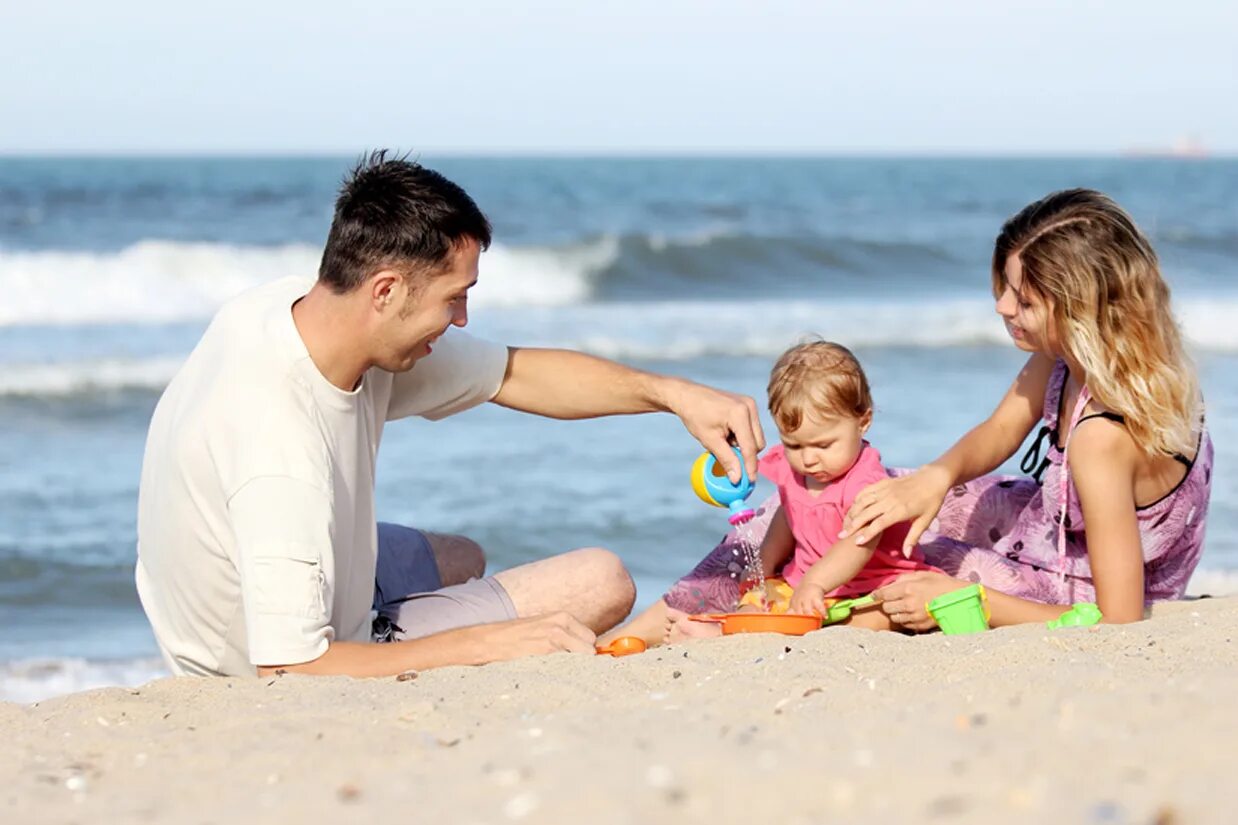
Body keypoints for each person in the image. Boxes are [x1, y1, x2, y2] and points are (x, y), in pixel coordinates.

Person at [135, 151, 765, 679]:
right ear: (385, 290)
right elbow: (291, 673)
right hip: (249, 663)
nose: (461, 320)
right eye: (453, 299)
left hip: (255, 571)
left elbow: (514, 373)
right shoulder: (279, 455)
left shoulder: (291, 310)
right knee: (601, 582)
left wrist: (676, 395)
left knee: (460, 556)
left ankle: (410, 619)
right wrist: (493, 645)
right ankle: (393, 635)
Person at [648, 188, 1212, 636]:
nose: (1002, 307)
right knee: (847, 496)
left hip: (1080, 587)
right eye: (1004, 287)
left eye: (1025, 300)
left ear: (1082, 311)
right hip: (1047, 529)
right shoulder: (1068, 358)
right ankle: (702, 602)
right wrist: (935, 481)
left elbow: (1120, 619)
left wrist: (968, 601)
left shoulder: (1103, 438)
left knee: (909, 569)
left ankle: (735, 617)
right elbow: (1001, 430)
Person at [605, 341, 942, 645]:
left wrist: (816, 584)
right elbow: (788, 516)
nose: (809, 459)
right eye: (794, 444)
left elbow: (857, 544)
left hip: (871, 584)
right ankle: (722, 628)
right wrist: (765, 564)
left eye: (824, 444)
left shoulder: (865, 480)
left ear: (863, 421)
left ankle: (720, 638)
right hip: (806, 584)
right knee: (760, 599)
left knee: (879, 617)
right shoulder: (797, 470)